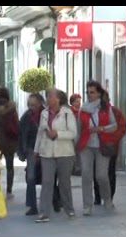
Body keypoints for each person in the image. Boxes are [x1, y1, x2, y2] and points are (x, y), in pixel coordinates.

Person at [33, 89, 77, 223]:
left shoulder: (67, 113)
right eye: (47, 96)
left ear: (58, 99)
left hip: (65, 152)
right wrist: (36, 150)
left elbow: (73, 133)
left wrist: (57, 134)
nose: (48, 98)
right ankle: (44, 212)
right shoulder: (44, 113)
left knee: (64, 182)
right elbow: (40, 133)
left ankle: (69, 208)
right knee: (47, 182)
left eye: (50, 96)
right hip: (47, 152)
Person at [78, 80, 117, 215]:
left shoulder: (106, 108)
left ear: (99, 93)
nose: (90, 95)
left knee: (101, 176)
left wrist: (102, 128)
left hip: (102, 144)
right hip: (86, 145)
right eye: (88, 92)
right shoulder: (83, 109)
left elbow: (114, 126)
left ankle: (107, 199)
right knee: (86, 175)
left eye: (93, 92)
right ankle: (87, 205)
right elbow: (79, 128)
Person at [18, 93, 45, 215]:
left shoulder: (46, 114)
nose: (31, 107)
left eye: (33, 105)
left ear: (40, 103)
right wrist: (21, 152)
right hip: (31, 149)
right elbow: (21, 135)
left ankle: (52, 201)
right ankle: (32, 205)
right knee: (30, 177)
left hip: (46, 149)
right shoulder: (26, 117)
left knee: (48, 177)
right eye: (29, 105)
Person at [0, 87, 19, 197]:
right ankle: (9, 190)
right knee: (10, 166)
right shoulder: (11, 108)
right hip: (9, 139)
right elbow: (16, 123)